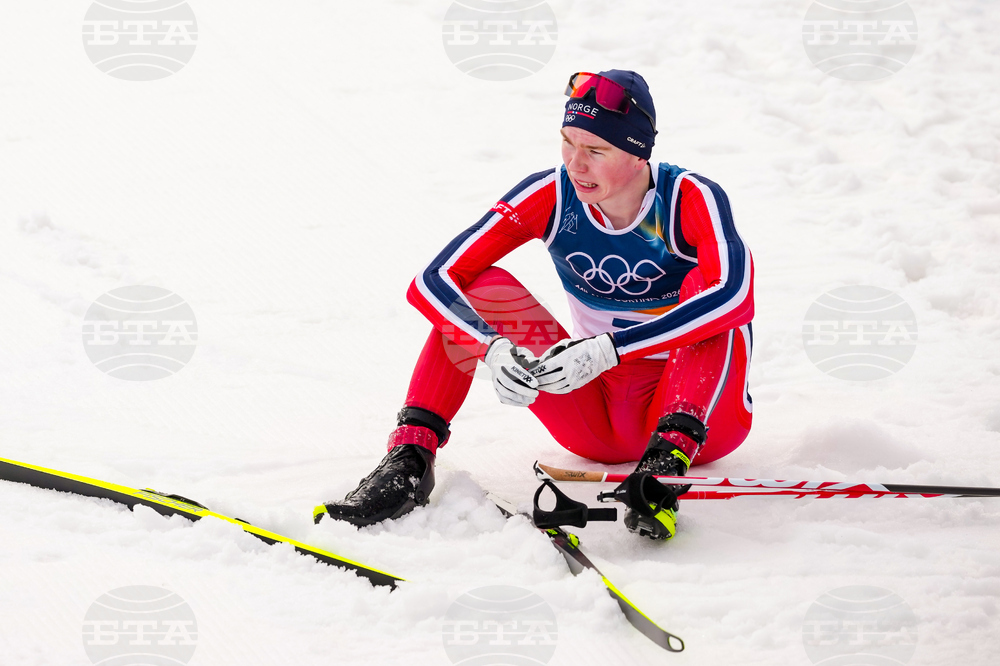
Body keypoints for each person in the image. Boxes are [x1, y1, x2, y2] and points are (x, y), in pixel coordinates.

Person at [315, 70, 755, 540]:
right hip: (596, 415)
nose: (575, 164)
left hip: (703, 418)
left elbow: (734, 297)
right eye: (567, 142)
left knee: (704, 288)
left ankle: (665, 467)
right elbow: (431, 280)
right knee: (480, 286)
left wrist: (610, 348)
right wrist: (490, 349)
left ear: (637, 153)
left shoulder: (690, 197)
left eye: (595, 151)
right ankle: (409, 462)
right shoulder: (551, 194)